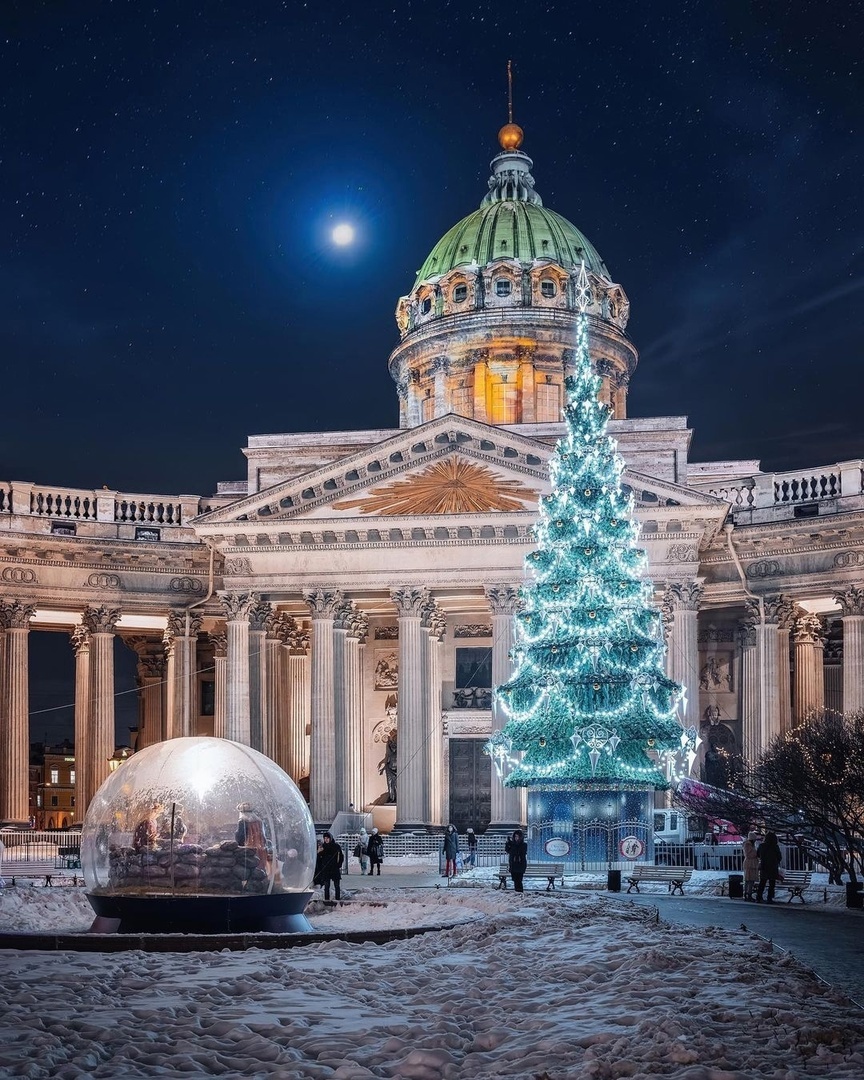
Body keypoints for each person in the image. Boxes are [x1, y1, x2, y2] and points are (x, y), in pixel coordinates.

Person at [235, 803, 269, 873]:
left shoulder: (243, 821)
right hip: (261, 849)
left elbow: (240, 837)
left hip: (249, 850)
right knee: (261, 869)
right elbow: (263, 836)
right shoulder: (259, 821)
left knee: (251, 871)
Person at [313, 831, 344, 902]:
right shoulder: (322, 847)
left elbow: (341, 857)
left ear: (330, 838)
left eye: (327, 838)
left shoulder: (336, 846)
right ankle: (326, 900)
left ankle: (337, 899)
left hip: (334, 868)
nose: (326, 840)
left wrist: (338, 865)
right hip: (326, 869)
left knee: (337, 885)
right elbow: (319, 858)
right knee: (326, 886)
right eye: (325, 838)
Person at [756, 831, 782, 903]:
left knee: (762, 883)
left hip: (764, 866)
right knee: (772, 883)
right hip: (773, 866)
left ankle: (758, 897)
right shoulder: (775, 846)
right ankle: (769, 898)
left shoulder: (761, 846)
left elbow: (758, 854)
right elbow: (779, 856)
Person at [505, 828, 528, 893]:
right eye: (515, 836)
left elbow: (519, 852)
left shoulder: (524, 845)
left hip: (520, 864)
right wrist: (507, 843)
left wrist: (512, 844)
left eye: (518, 836)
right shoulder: (513, 844)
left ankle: (520, 892)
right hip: (513, 865)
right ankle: (517, 892)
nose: (516, 838)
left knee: (519, 880)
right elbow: (508, 851)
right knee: (515, 880)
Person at [742, 831, 760, 901]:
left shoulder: (750, 845)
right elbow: (749, 854)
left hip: (752, 863)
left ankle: (748, 893)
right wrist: (756, 853)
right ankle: (747, 893)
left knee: (750, 880)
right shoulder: (748, 845)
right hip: (750, 863)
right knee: (748, 879)